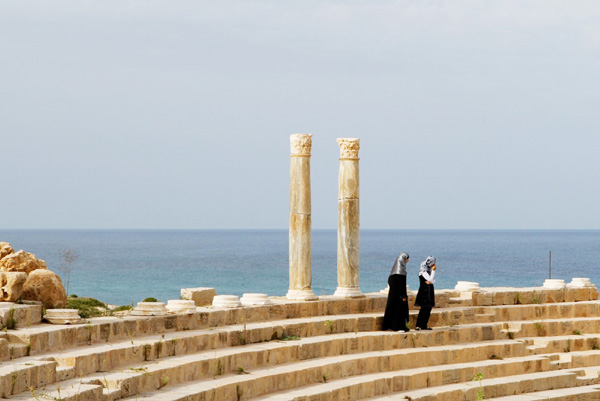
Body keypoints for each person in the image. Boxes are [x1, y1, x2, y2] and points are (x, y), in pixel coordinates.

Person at [382, 252, 410, 332]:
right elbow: (402, 285)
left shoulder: (394, 271)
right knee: (399, 311)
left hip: (393, 296)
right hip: (400, 296)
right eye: (407, 259)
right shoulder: (401, 271)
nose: (407, 261)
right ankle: (398, 327)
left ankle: (389, 326)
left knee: (391, 309)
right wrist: (403, 296)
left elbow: (390, 282)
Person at [415, 256, 437, 330]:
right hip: (424, 291)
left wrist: (430, 280)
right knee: (424, 308)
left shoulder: (429, 270)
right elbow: (430, 279)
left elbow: (432, 280)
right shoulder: (423, 271)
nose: (433, 265)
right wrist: (433, 271)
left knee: (428, 308)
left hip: (429, 289)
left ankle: (424, 325)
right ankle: (418, 325)